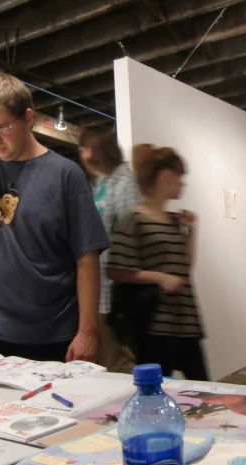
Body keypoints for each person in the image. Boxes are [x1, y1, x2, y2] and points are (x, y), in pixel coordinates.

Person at [0, 72, 109, 362]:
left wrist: (87, 331)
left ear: (28, 117)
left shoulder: (65, 176)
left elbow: (87, 259)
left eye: (2, 127)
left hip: (51, 334)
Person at [106, 144, 208, 381]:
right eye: (180, 177)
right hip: (155, 325)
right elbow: (116, 270)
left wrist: (191, 232)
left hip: (185, 321)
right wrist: (160, 278)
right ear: (165, 176)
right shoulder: (135, 220)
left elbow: (184, 268)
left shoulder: (173, 221)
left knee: (205, 392)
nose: (183, 183)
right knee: (156, 392)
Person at [78, 127, 143, 373]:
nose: (82, 154)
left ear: (95, 150)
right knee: (104, 364)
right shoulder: (100, 183)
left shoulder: (125, 183)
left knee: (120, 366)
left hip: (116, 295)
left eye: (84, 148)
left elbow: (132, 239)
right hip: (98, 293)